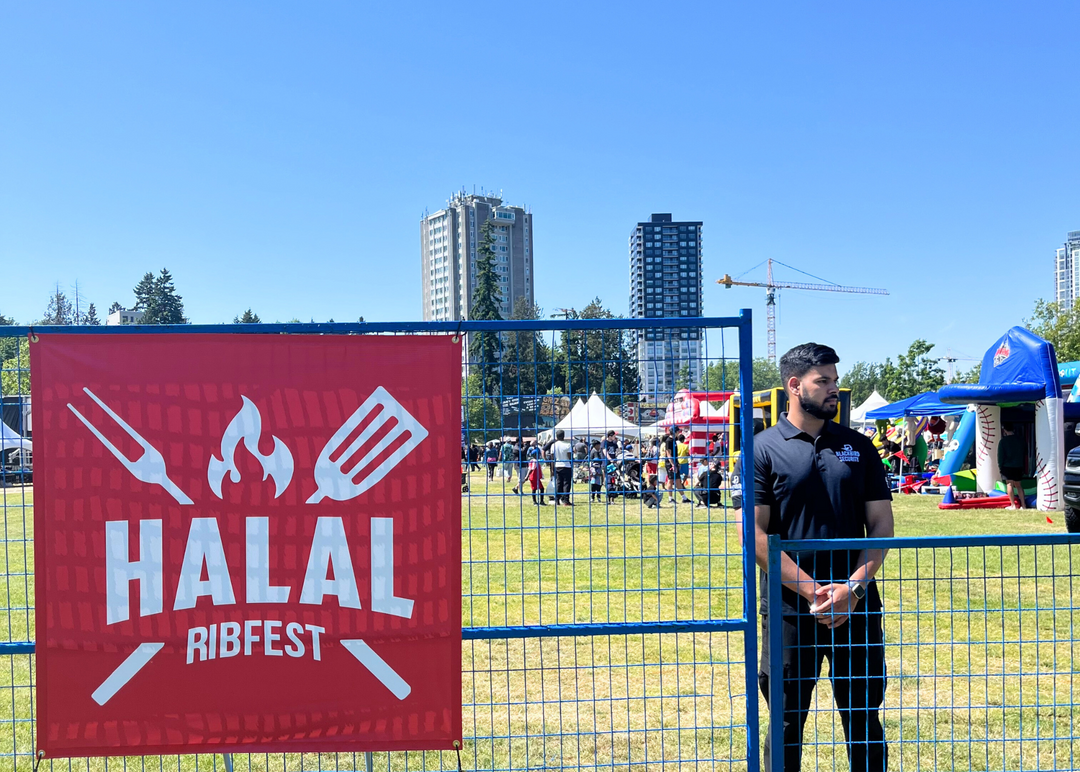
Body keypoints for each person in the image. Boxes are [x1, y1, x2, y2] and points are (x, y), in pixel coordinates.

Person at [733, 342, 894, 772]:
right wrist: (813, 592)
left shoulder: (859, 447)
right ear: (793, 385)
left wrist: (853, 589)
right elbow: (754, 534)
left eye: (835, 381)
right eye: (823, 381)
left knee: (863, 718)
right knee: (785, 722)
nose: (833, 390)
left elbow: (881, 526)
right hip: (789, 608)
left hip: (856, 604)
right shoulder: (761, 450)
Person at [998, 423, 1027, 510]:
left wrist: (1000, 466)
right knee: (1018, 485)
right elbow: (1025, 452)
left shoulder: (1003, 441)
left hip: (1007, 466)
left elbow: (1000, 456)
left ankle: (1013, 505)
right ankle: (1024, 505)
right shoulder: (1020, 440)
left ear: (1005, 430)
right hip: (1018, 465)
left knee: (1009, 484)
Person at [551, 429, 574, 506]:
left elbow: (552, 458)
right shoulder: (568, 445)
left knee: (558, 483)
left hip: (557, 465)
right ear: (563, 436)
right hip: (566, 465)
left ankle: (557, 499)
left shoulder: (553, 445)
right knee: (566, 483)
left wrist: (551, 468)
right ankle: (566, 500)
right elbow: (569, 456)